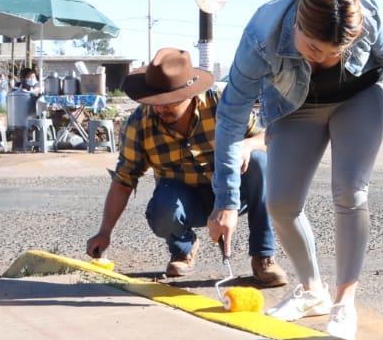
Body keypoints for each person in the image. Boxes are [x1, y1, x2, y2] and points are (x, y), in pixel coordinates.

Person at [208, 0, 383, 340]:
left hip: (359, 99)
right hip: (294, 107)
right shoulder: (261, 36)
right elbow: (230, 119)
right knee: (280, 202)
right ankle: (313, 292)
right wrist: (226, 200)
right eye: (313, 47)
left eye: (335, 52)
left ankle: (345, 299)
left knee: (349, 190)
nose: (321, 59)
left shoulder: (366, 14)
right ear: (296, 23)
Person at [86, 47, 286, 288]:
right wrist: (104, 232)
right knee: (162, 211)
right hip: (182, 196)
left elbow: (268, 138)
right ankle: (183, 248)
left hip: (232, 192)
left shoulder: (222, 102)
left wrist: (247, 144)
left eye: (169, 101)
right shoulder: (139, 123)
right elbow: (123, 180)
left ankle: (263, 256)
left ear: (190, 93)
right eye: (156, 101)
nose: (161, 108)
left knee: (259, 162)